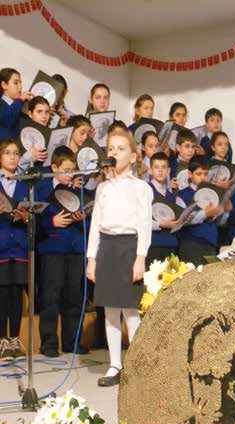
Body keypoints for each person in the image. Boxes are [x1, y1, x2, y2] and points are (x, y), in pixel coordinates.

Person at [86, 131, 152, 387]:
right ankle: (115, 364)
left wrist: (140, 258)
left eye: (120, 148)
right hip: (107, 249)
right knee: (110, 309)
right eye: (110, 148)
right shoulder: (102, 187)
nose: (114, 153)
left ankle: (135, 364)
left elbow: (144, 225)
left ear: (133, 156)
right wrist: (92, 258)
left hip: (129, 247)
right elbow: (95, 226)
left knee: (130, 309)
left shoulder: (140, 188)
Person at [36, 146, 89, 357]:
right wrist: (51, 221)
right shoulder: (42, 189)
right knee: (51, 296)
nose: (69, 174)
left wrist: (83, 216)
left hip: (75, 248)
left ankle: (72, 342)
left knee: (73, 297)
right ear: (54, 167)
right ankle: (49, 343)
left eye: (72, 170)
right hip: (53, 249)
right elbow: (34, 219)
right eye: (65, 170)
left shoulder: (77, 191)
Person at [0, 139, 29, 361]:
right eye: (7, 153)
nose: (12, 157)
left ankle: (15, 339)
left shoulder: (25, 183)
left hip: (19, 245)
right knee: (2, 294)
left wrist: (26, 217)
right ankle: (2, 341)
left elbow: (33, 215)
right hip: (1, 245)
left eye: (16, 153)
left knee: (17, 294)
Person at [176, 159, 220, 266]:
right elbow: (183, 220)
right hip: (191, 243)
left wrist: (223, 211)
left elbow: (220, 221)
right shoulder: (182, 194)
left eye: (205, 174)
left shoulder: (214, 193)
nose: (203, 177)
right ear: (190, 174)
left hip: (210, 242)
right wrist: (205, 213)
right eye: (199, 174)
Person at [146, 152, 179, 267]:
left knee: (171, 282)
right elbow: (141, 220)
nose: (160, 171)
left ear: (169, 171)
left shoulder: (171, 196)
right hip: (152, 244)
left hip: (170, 244)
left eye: (164, 167)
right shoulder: (145, 191)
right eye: (156, 167)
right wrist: (160, 224)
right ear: (150, 170)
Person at [18, 96, 51, 171]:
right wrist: (28, 157)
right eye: (39, 112)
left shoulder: (52, 134)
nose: (44, 116)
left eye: (47, 112)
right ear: (30, 113)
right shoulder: (18, 128)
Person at [0, 68, 32, 141]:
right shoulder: (3, 104)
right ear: (4, 85)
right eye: (16, 83)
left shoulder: (21, 107)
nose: (20, 87)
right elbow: (7, 121)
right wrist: (20, 100)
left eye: (20, 83)